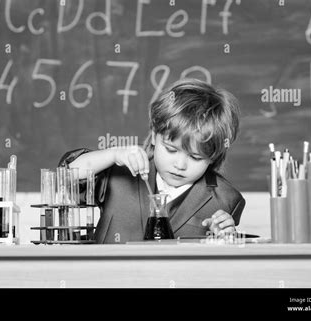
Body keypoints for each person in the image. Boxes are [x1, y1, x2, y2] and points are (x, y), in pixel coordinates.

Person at [59, 78, 245, 244]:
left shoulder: (226, 198)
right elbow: (66, 176)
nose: (180, 165)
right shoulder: (119, 170)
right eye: (171, 150)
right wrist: (112, 155)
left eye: (195, 157)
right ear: (155, 135)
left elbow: (219, 266)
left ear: (213, 156)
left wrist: (226, 238)